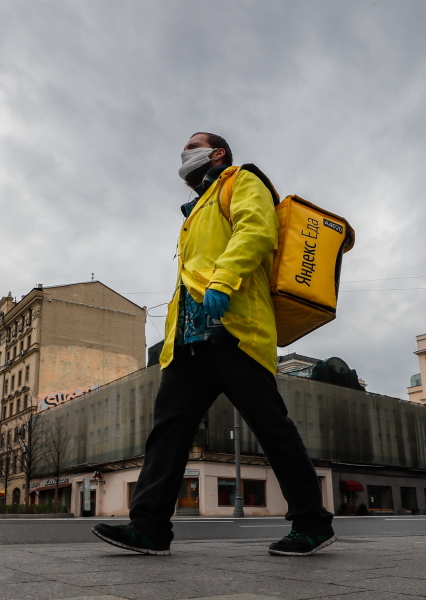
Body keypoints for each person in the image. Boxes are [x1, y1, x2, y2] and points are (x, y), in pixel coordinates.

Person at [92, 132, 335, 557]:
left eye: (192, 147)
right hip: (187, 343)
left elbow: (257, 230)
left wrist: (224, 280)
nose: (184, 155)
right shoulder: (195, 211)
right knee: (167, 435)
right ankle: (149, 528)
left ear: (217, 152)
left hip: (234, 330)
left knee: (271, 427)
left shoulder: (241, 180)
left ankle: (312, 524)